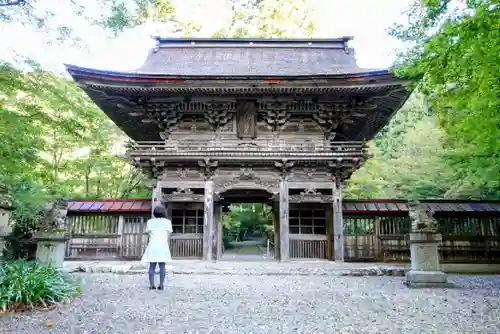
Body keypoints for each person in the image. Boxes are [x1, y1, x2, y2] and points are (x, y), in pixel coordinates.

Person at [141, 205, 173, 290]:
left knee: (152, 266)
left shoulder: (150, 222)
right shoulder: (168, 222)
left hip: (153, 245)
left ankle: (152, 285)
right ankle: (161, 285)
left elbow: (148, 233)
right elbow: (168, 234)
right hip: (163, 244)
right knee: (162, 266)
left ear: (154, 213)